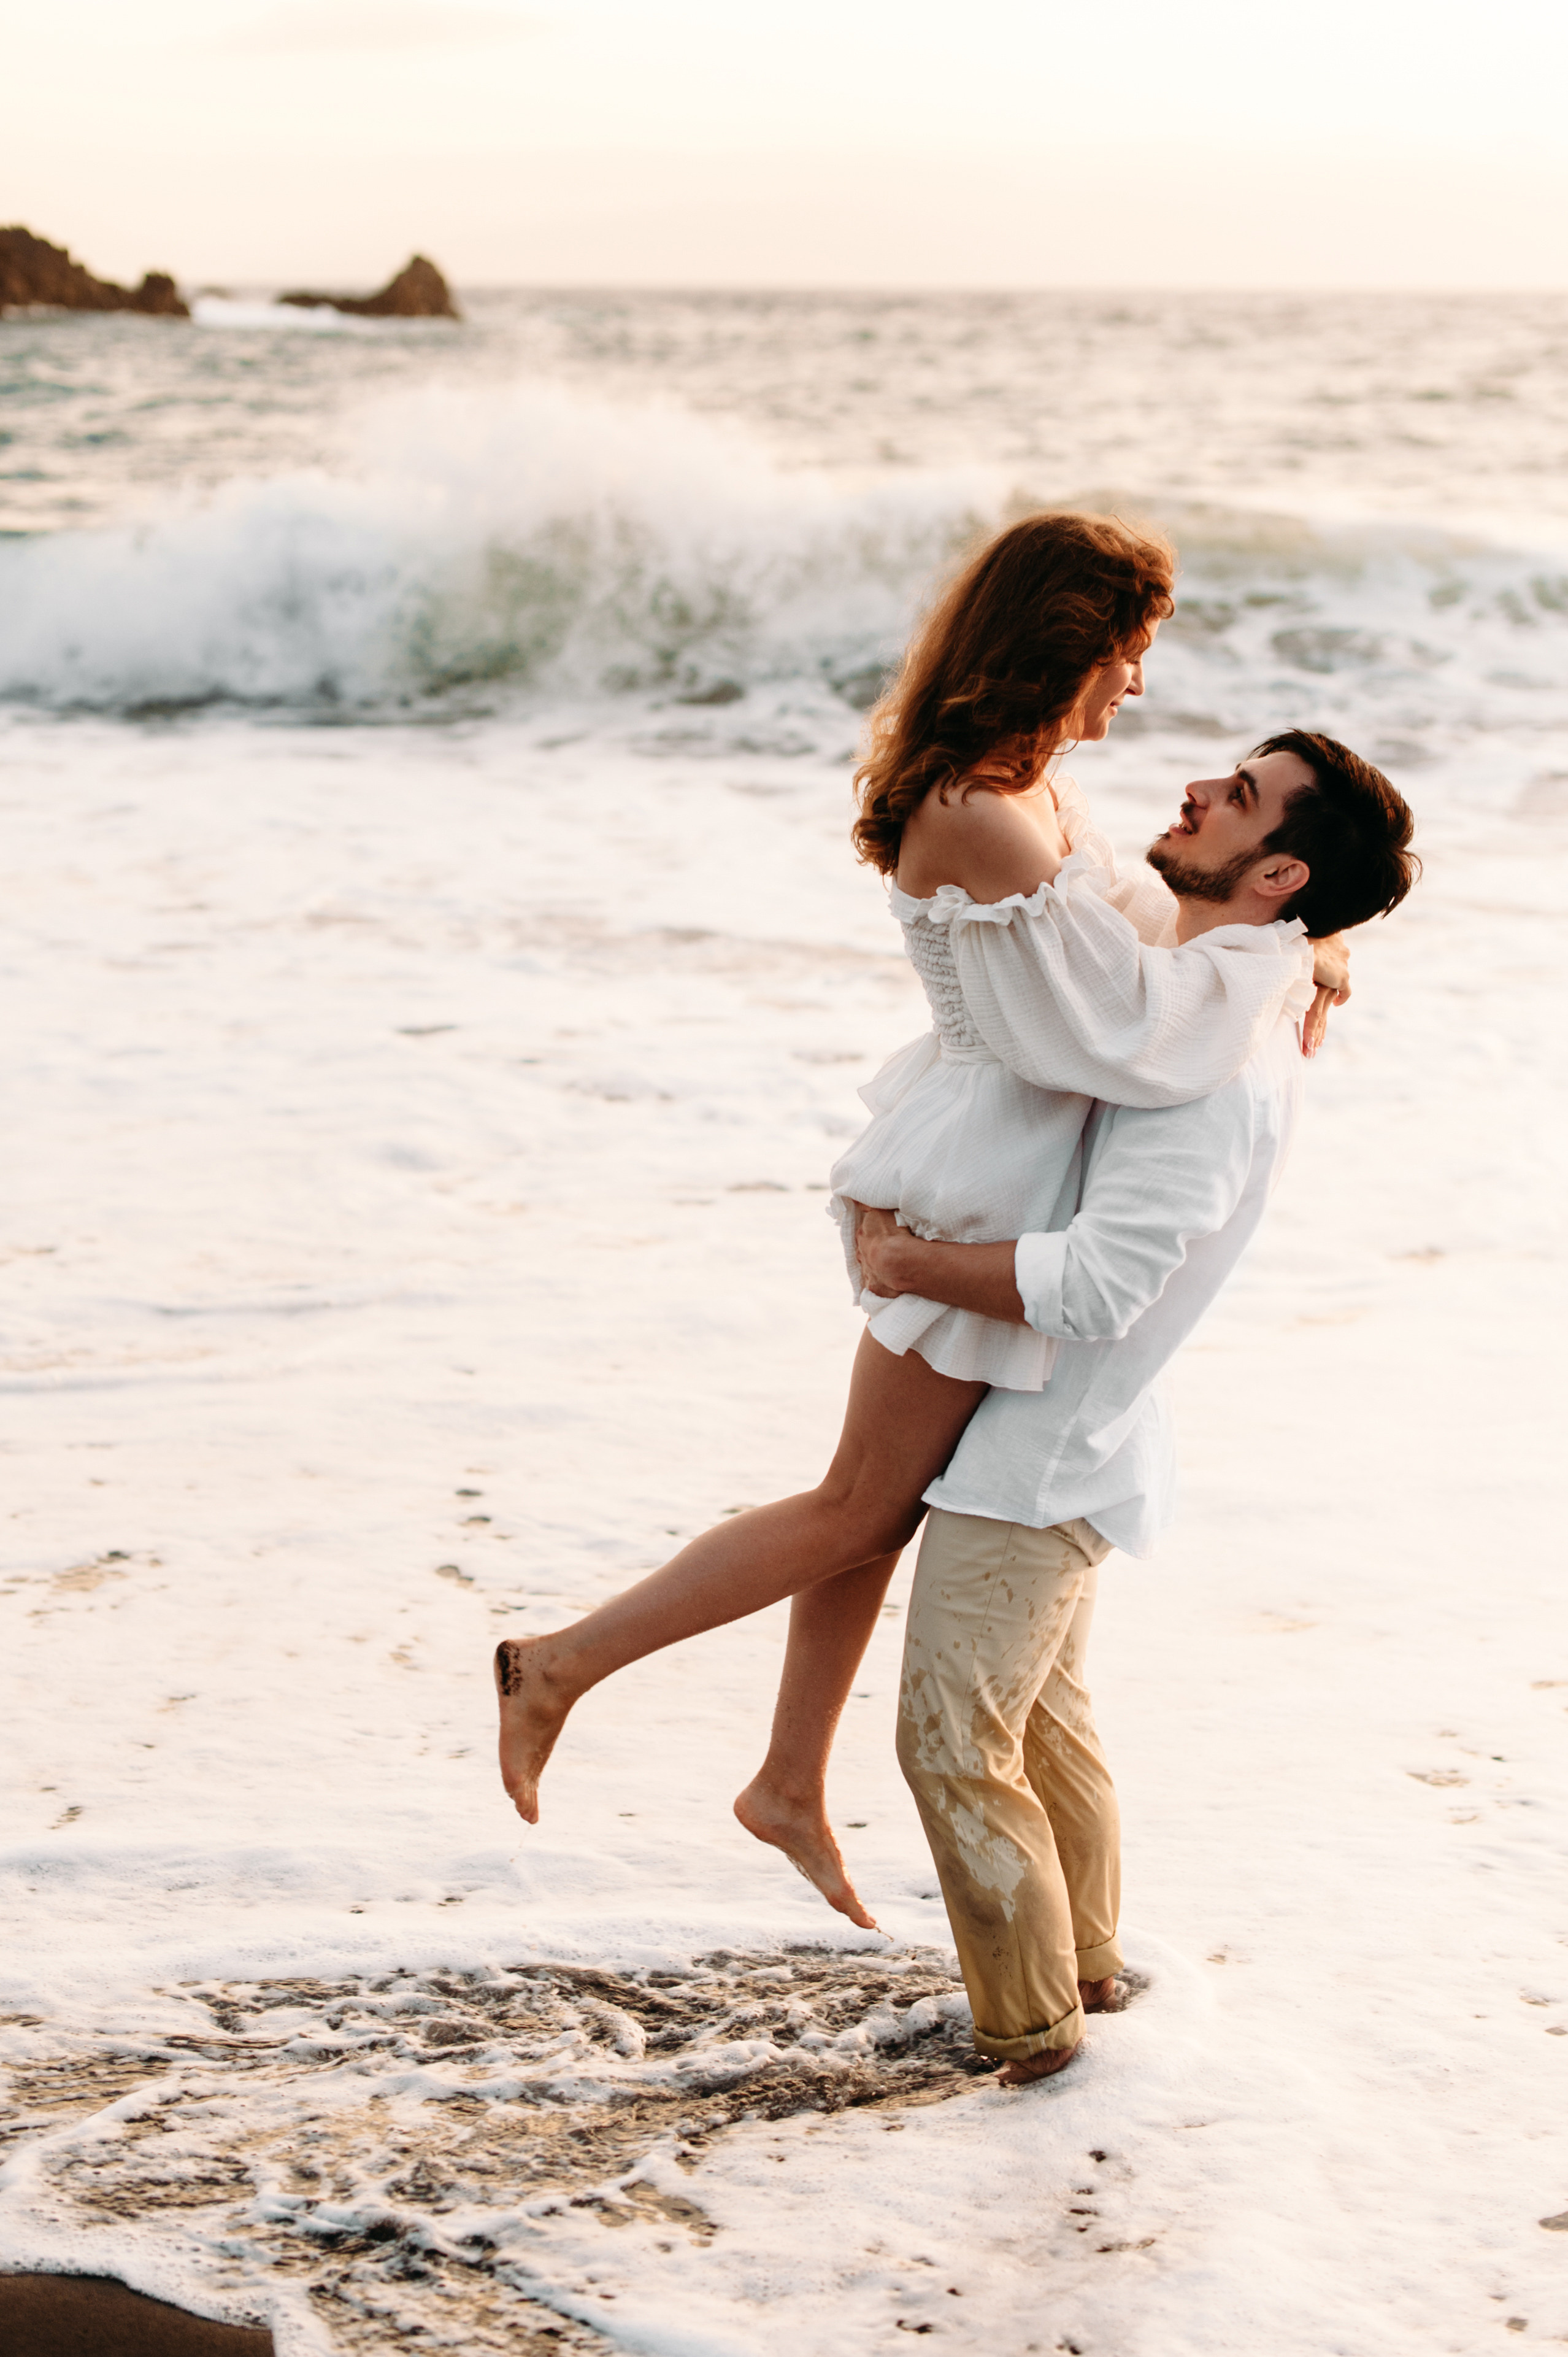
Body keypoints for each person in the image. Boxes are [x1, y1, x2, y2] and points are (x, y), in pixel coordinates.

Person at [493, 513, 1347, 1923]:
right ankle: (564, 1664)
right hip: (979, 1177)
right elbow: (1129, 1027)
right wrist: (1279, 959)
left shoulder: (1034, 793)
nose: (1135, 686)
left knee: (874, 1510)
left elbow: (1149, 939)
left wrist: (1303, 942)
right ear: (1062, 641)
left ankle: (785, 1782)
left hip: (1003, 1161)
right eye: (1126, 653)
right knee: (857, 1500)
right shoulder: (979, 815)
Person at [849, 729, 1417, 2081]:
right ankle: (1090, 1973)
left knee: (948, 1737)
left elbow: (1099, 1281)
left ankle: (1031, 2045)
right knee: (1043, 1718)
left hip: (1047, 1446)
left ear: (1277, 868)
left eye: (1240, 799)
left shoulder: (1208, 1060)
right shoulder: (1231, 986)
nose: (1199, 789)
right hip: (1088, 1433)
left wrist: (905, 1260)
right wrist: (1319, 946)